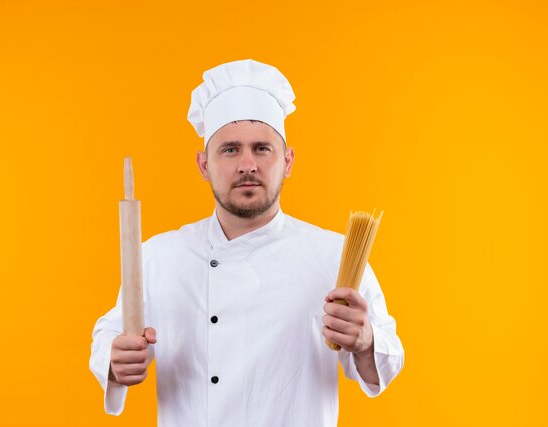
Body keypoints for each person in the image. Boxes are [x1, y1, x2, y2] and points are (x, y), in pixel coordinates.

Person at [89, 59, 404, 427]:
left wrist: (365, 340)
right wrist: (114, 359)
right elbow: (109, 335)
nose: (247, 164)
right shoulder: (160, 255)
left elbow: (387, 361)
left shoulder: (335, 256)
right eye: (229, 150)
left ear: (287, 161)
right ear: (203, 165)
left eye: (262, 149)